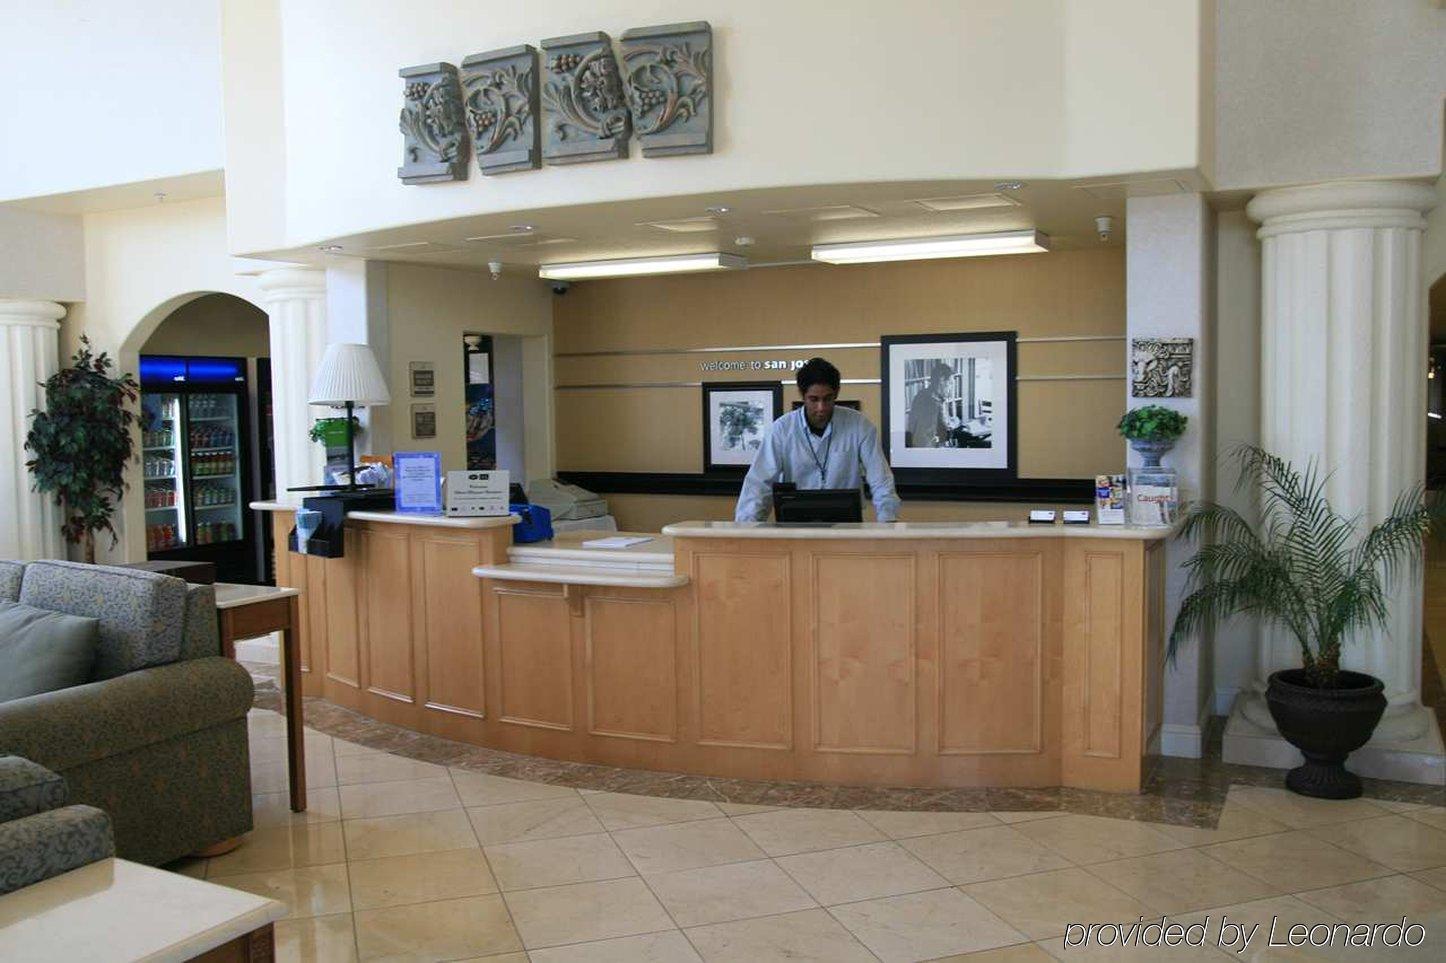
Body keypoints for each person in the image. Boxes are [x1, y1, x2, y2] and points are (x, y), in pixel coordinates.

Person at [734, 357, 901, 522]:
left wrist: (888, 523)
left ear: (836, 394)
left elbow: (881, 480)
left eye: (827, 399)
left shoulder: (859, 425)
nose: (821, 408)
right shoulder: (781, 430)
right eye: (814, 399)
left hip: (847, 526)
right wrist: (746, 530)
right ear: (803, 396)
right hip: (796, 526)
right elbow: (758, 484)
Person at [905, 361, 953, 448]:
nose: (951, 388)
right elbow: (925, 441)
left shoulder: (926, 395)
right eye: (950, 383)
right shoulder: (930, 403)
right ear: (942, 380)